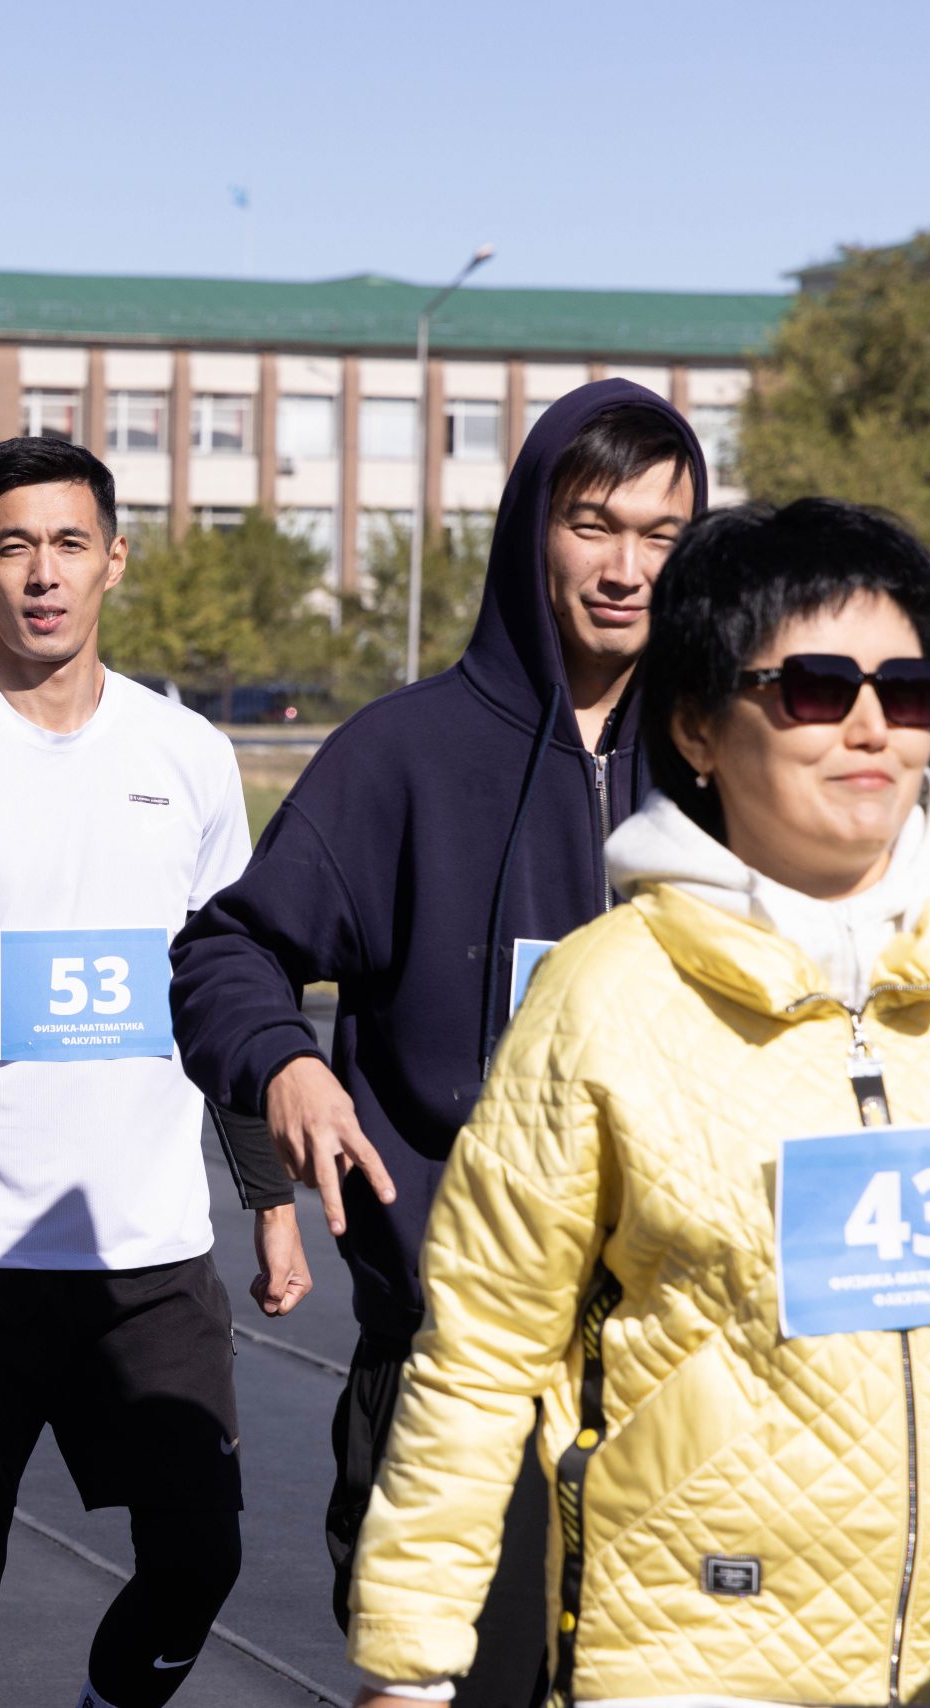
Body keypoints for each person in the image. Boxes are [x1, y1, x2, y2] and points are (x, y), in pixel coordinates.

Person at [347, 498, 930, 1707]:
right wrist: (408, 1658)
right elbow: (484, 1347)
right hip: (685, 1658)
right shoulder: (603, 996)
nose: (870, 727)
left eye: (910, 689)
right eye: (814, 687)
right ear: (698, 728)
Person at [169, 379, 702, 1705]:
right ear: (531, 529)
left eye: (662, 534)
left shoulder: (725, 761)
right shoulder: (402, 755)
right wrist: (287, 1063)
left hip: (683, 1384)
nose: (627, 568)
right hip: (451, 1365)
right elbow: (227, 952)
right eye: (595, 525)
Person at [0, 437, 301, 1708]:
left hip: (148, 1250)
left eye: (68, 544)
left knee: (198, 1554)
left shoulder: (187, 756)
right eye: (13, 547)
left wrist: (270, 1197)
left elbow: (232, 990)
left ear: (112, 560)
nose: (42, 575)